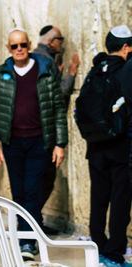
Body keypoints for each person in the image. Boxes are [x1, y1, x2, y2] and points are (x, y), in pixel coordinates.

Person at [0, 27, 68, 261]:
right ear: (8, 49)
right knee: (20, 191)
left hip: (39, 141)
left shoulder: (45, 69)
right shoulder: (1, 73)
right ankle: (33, 228)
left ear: (29, 44)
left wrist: (60, 143)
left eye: (23, 45)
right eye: (14, 46)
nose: (19, 49)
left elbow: (58, 108)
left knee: (32, 189)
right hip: (12, 143)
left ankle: (27, 241)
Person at [82, 25, 132, 267]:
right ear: (125, 47)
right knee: (120, 199)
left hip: (95, 146)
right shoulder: (126, 71)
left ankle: (97, 246)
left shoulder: (95, 70)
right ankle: (114, 252)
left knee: (98, 198)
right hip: (120, 146)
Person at [33, 25, 81, 235]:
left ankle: (32, 223)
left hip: (29, 131)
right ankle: (32, 225)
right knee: (43, 179)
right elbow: (56, 98)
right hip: (42, 132)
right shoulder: (46, 62)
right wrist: (70, 75)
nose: (62, 43)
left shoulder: (33, 60)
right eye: (60, 39)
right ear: (51, 41)